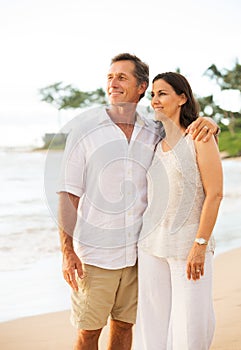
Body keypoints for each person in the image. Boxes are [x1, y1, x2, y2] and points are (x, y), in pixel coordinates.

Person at [57, 54, 219, 350]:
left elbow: (186, 139)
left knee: (125, 327)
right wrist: (67, 251)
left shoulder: (153, 131)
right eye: (110, 77)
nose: (113, 83)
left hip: (138, 254)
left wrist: (209, 122)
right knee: (89, 332)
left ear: (140, 86)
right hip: (96, 255)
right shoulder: (85, 130)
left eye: (122, 77)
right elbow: (68, 193)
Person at [134, 72, 223, 350]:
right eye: (152, 95)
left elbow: (215, 194)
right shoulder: (156, 144)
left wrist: (199, 245)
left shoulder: (199, 137)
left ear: (182, 98)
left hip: (187, 246)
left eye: (162, 94)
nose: (155, 100)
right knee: (153, 324)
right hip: (150, 245)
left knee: (190, 324)